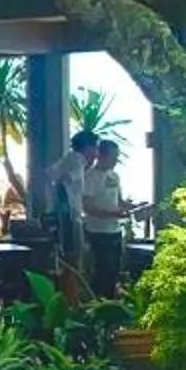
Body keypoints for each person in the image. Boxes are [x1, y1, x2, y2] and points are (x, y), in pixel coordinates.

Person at [40, 127, 98, 275]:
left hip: (63, 215)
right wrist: (64, 209)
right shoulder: (77, 161)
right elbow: (63, 180)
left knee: (67, 257)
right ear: (88, 147)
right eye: (95, 148)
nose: (97, 153)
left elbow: (49, 175)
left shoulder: (70, 159)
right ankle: (71, 294)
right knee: (72, 258)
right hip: (69, 217)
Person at [82, 140, 127, 297]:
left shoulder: (114, 176)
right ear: (100, 156)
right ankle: (98, 305)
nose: (115, 160)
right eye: (113, 156)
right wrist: (112, 213)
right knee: (102, 271)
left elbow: (119, 201)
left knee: (114, 271)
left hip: (114, 230)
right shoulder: (90, 177)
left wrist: (131, 207)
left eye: (117, 156)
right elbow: (87, 207)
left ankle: (110, 303)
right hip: (97, 232)